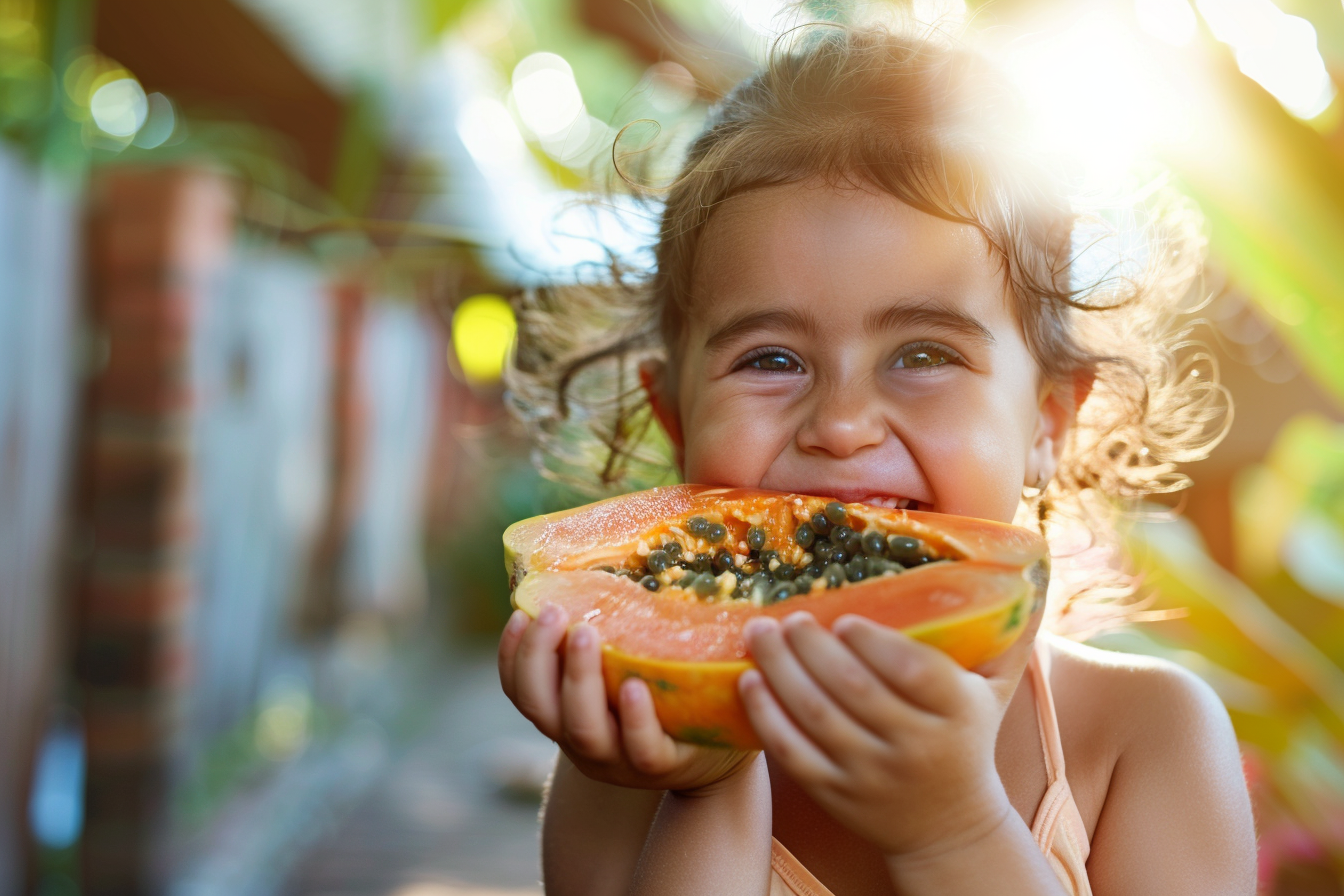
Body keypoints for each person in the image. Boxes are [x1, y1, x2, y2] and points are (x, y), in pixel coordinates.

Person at [496, 24, 1257, 895]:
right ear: (675, 415)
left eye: (924, 354)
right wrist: (710, 787)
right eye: (770, 360)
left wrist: (954, 830)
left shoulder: (1146, 734)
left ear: (1049, 420)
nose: (843, 424)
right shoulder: (621, 756)